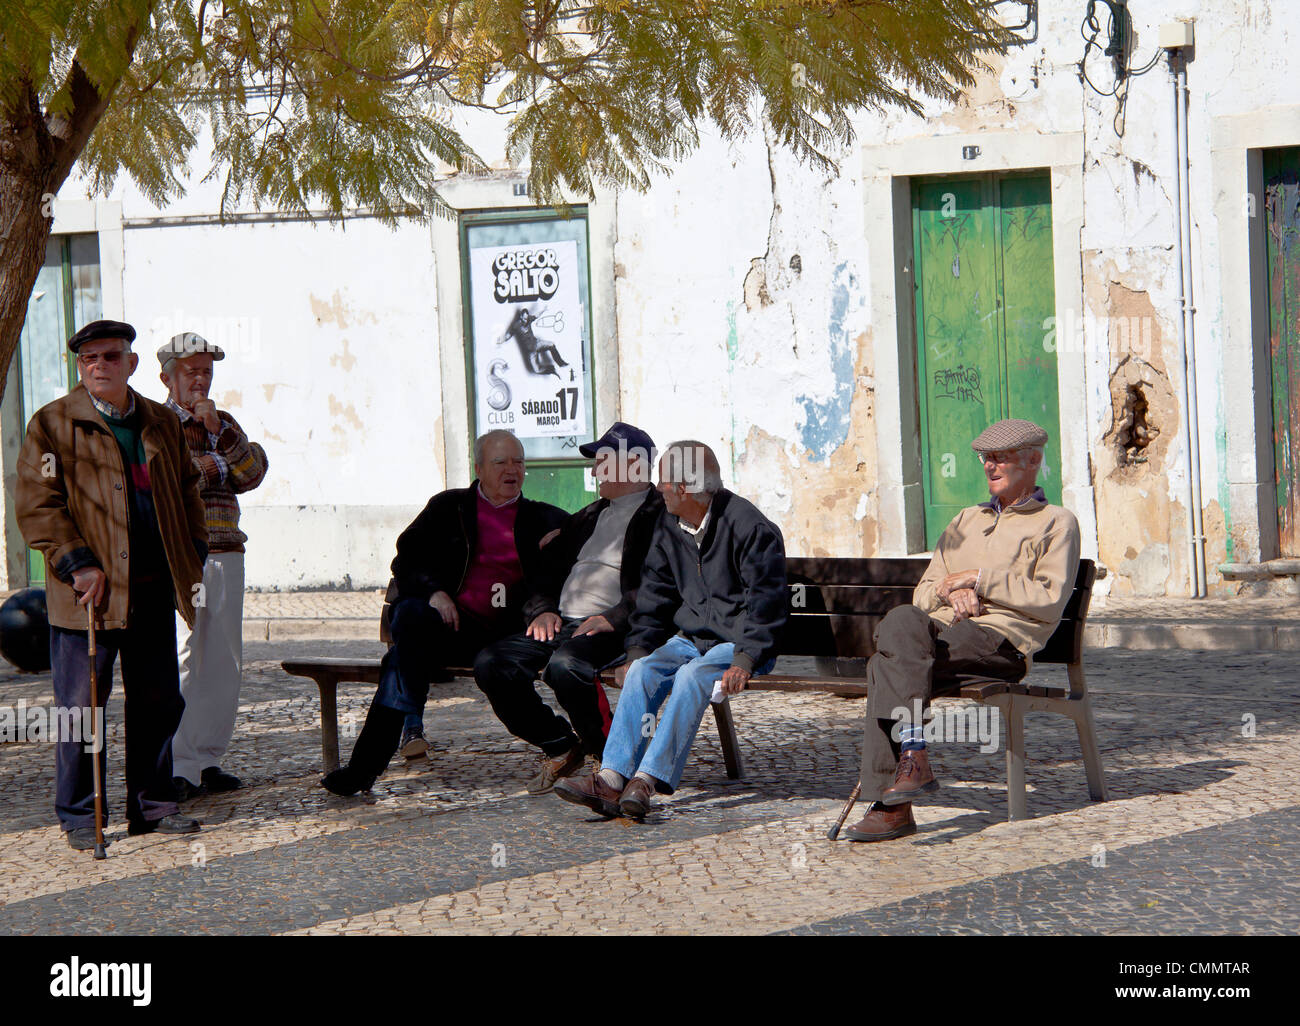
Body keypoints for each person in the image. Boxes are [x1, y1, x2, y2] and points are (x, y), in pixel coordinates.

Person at [15, 319, 208, 850]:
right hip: (87, 598)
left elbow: (188, 489)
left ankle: (153, 805)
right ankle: (80, 817)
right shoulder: (53, 425)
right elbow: (37, 504)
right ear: (80, 365)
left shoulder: (159, 424)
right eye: (88, 359)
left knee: (159, 702)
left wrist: (194, 550)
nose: (99, 366)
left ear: (132, 363)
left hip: (150, 587)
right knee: (82, 707)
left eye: (110, 357)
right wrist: (77, 563)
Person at [845, 418, 1081, 842]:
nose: (990, 466)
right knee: (900, 620)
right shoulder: (964, 520)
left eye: (1001, 458)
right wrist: (950, 593)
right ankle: (914, 754)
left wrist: (978, 579)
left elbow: (1048, 597)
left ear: (1033, 460)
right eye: (985, 458)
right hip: (941, 636)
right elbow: (924, 594)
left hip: (1000, 644)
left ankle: (891, 807)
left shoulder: (1056, 522)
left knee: (885, 667)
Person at [320, 430, 567, 796]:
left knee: (402, 660)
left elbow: (592, 542)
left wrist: (569, 537)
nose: (511, 470)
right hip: (450, 631)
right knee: (412, 619)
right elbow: (406, 558)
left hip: (503, 638)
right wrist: (435, 591)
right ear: (479, 468)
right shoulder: (447, 508)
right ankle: (375, 758)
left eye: (518, 461)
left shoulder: (543, 519)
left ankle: (365, 768)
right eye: (500, 462)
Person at [554, 441, 787, 820]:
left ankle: (645, 781)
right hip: (690, 639)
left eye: (663, 481)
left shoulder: (750, 528)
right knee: (644, 671)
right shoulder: (670, 526)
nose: (657, 487)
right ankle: (612, 778)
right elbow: (654, 596)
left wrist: (745, 658)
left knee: (694, 676)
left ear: (684, 488)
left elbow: (768, 604)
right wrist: (636, 651)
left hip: (738, 644)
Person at [474, 423, 663, 793]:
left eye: (603, 462)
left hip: (616, 628)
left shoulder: (662, 518)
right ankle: (561, 743)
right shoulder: (589, 515)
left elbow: (661, 586)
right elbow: (541, 575)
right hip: (562, 624)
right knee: (492, 662)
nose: (594, 471)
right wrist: (542, 610)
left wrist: (613, 618)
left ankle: (612, 761)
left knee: (566, 666)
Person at [158, 333, 269, 801]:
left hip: (227, 552)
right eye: (190, 371)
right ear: (167, 377)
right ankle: (175, 763)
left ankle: (207, 759)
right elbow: (174, 477)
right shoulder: (157, 422)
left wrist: (220, 435)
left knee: (224, 660)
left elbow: (253, 472)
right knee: (187, 657)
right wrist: (219, 466)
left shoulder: (223, 423)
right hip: (183, 554)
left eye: (206, 371)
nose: (200, 379)